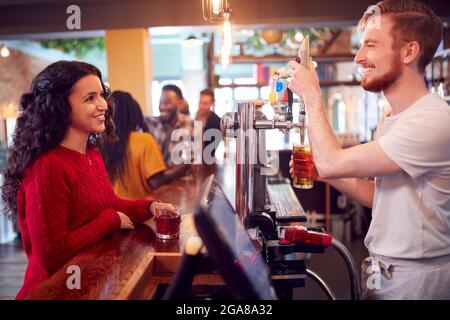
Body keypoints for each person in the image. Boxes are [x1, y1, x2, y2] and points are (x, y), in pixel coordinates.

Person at [288, 0, 450, 299]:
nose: (360, 58)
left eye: (371, 45)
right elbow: (381, 198)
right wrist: (325, 173)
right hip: (383, 269)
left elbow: (332, 162)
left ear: (408, 52)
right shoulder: (392, 117)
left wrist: (311, 94)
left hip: (417, 281)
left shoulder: (431, 121)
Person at [0, 61, 174, 299]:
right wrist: (110, 221)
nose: (103, 105)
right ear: (60, 106)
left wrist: (149, 207)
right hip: (53, 290)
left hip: (87, 282)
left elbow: (110, 203)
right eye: (90, 98)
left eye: (102, 95)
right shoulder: (47, 168)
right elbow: (52, 254)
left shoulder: (91, 154)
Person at [101, 91, 191, 199]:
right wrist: (182, 169)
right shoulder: (144, 140)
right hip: (139, 208)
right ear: (134, 112)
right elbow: (156, 181)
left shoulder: (103, 143)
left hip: (114, 207)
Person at [146, 84, 194, 167]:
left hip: (182, 178)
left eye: (167, 102)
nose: (162, 107)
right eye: (160, 102)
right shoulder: (150, 124)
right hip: (156, 178)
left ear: (180, 102)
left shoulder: (190, 123)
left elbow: (195, 159)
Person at [195, 88, 221, 159]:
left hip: (209, 162)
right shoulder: (195, 117)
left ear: (212, 103)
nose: (201, 106)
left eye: (205, 103)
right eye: (200, 102)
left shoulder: (217, 121)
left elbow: (211, 150)